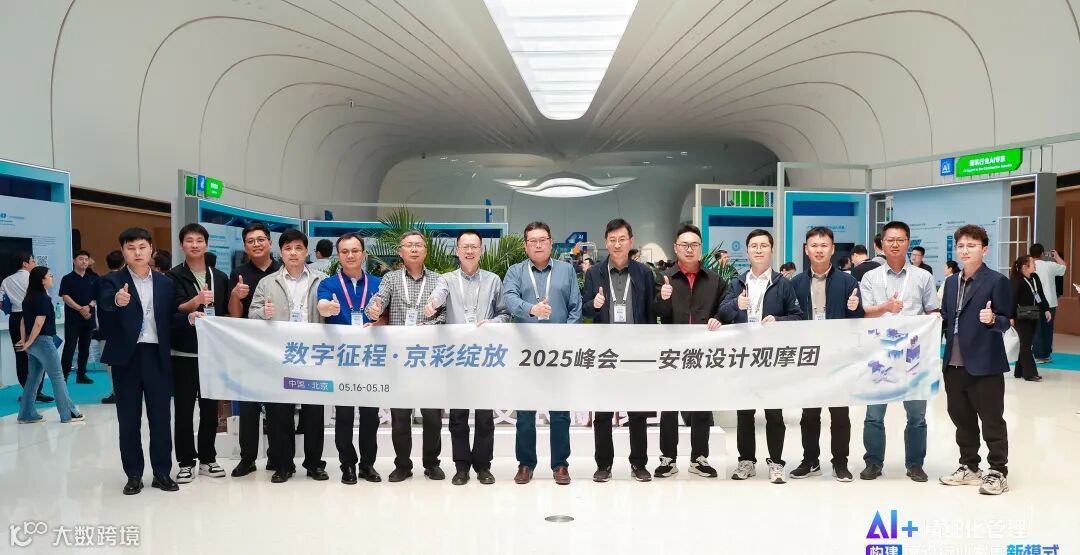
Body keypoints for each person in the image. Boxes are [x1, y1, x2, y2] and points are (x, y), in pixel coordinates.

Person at [98, 227, 201, 495]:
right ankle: (133, 475)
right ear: (123, 251)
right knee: (128, 419)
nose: (137, 252)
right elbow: (105, 308)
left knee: (160, 418)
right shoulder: (111, 281)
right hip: (127, 358)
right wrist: (117, 301)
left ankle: (162, 472)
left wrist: (188, 319)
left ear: (151, 249)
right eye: (131, 248)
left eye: (142, 247)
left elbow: (169, 319)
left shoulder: (165, 283)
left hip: (157, 356)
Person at [425, 229, 510, 486]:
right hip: (457, 357)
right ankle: (461, 466)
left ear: (481, 250)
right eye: (465, 246)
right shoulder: (447, 279)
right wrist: (432, 303)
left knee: (484, 416)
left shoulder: (493, 280)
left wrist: (493, 322)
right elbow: (438, 295)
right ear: (457, 251)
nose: (470, 251)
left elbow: (505, 313)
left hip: (485, 356)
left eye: (474, 246)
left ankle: (483, 466)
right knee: (458, 416)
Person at [501, 221, 582, 485]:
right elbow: (509, 299)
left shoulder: (566, 270)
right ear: (525, 245)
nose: (538, 245)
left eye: (543, 240)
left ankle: (560, 465)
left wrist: (565, 339)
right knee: (525, 413)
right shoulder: (515, 271)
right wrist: (531, 309)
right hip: (525, 352)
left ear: (550, 242)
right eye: (532, 241)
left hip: (558, 353)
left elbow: (575, 307)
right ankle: (525, 464)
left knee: (560, 412)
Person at [720, 229, 803, 484]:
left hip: (772, 358)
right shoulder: (737, 283)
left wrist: (778, 320)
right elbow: (721, 314)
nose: (758, 250)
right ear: (747, 251)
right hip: (744, 358)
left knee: (774, 414)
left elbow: (798, 317)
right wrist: (736, 305)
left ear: (771, 250)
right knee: (744, 413)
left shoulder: (782, 283)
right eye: (754, 246)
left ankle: (776, 463)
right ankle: (746, 461)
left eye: (763, 245)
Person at [858, 221, 938, 483]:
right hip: (879, 354)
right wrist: (886, 307)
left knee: (917, 416)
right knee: (874, 415)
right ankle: (873, 462)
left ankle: (915, 464)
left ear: (908, 243)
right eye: (890, 240)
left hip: (913, 356)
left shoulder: (923, 277)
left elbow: (931, 310)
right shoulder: (870, 277)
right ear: (881, 244)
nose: (894, 244)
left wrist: (935, 318)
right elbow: (864, 313)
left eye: (900, 240)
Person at [248, 229, 329, 484]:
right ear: (280, 252)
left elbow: (332, 314)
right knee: (278, 413)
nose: (293, 253)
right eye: (288, 248)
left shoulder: (322, 280)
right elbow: (252, 314)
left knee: (314, 413)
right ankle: (283, 465)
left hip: (313, 355)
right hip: (279, 356)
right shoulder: (267, 282)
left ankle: (314, 464)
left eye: (298, 248)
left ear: (306, 251)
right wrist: (263, 313)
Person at [366, 230, 446, 482]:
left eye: (418, 245)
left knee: (432, 417)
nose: (413, 249)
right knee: (400, 417)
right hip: (399, 359)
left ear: (426, 251)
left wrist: (429, 326)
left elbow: (444, 314)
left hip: (429, 357)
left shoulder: (439, 280)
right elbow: (379, 300)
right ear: (400, 252)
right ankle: (402, 465)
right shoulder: (390, 278)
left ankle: (432, 463)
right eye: (408, 245)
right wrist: (374, 309)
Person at [938, 225, 1012, 495]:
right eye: (961, 246)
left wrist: (993, 319)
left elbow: (1006, 321)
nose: (965, 250)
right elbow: (947, 318)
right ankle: (969, 466)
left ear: (985, 249)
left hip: (985, 363)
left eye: (972, 245)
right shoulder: (950, 283)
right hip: (953, 363)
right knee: (962, 419)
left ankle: (998, 471)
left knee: (991, 419)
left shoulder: (996, 281)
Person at [582, 218, 657, 483]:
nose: (617, 244)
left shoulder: (644, 273)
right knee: (603, 412)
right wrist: (595, 304)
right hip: (606, 350)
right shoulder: (594, 273)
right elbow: (585, 310)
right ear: (606, 242)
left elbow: (651, 311)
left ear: (631, 241)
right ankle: (603, 465)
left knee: (637, 411)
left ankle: (639, 463)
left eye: (622, 239)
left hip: (635, 350)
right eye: (612, 240)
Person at [788, 227, 864, 482]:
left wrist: (855, 308)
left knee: (840, 414)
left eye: (824, 245)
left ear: (832, 249)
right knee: (809, 414)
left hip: (838, 359)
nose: (819, 250)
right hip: (809, 358)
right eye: (814, 245)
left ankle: (840, 463)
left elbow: (857, 321)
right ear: (806, 249)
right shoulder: (796, 283)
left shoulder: (848, 282)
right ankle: (810, 461)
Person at [653, 224, 726, 479]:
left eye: (694, 244)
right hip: (672, 353)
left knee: (701, 406)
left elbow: (723, 311)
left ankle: (699, 458)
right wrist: (663, 298)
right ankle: (667, 458)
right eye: (684, 245)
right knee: (669, 407)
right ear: (675, 248)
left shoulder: (715, 281)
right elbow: (656, 313)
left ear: (701, 248)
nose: (689, 249)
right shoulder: (663, 278)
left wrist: (718, 319)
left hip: (703, 353)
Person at [166, 223, 231, 484]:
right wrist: (197, 302)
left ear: (206, 244)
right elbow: (172, 310)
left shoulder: (220, 276)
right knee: (183, 411)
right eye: (190, 241)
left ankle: (207, 459)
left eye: (199, 240)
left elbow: (225, 311)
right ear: (182, 244)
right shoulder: (172, 276)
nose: (195, 245)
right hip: (183, 352)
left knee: (210, 411)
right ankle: (185, 462)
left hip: (212, 354)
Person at [318, 232, 384, 485]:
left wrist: (380, 319)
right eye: (345, 251)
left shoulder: (379, 283)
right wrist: (328, 308)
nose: (350, 255)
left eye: (355, 250)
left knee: (370, 416)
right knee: (344, 416)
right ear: (338, 256)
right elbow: (322, 305)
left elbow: (387, 315)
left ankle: (368, 464)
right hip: (342, 359)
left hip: (371, 359)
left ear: (363, 254)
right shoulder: (329, 284)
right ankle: (347, 464)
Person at [227, 222, 282, 478]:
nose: (256, 244)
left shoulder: (283, 269)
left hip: (279, 348)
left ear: (270, 242)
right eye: (251, 241)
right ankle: (247, 458)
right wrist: (236, 296)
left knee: (277, 407)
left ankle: (277, 456)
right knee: (248, 406)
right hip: (249, 348)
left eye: (261, 239)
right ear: (245, 246)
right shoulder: (238, 273)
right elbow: (234, 315)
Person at [16, 266, 84, 424]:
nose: (52, 278)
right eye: (50, 276)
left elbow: (23, 321)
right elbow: (39, 323)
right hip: (43, 342)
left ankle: (26, 414)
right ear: (42, 280)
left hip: (33, 343)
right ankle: (68, 414)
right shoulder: (43, 299)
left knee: (33, 379)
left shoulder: (28, 298)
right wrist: (28, 342)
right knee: (57, 377)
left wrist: (25, 341)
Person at [3, 253, 51, 403]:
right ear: (25, 263)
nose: (35, 263)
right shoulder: (34, 278)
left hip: (15, 319)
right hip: (33, 317)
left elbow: (1, 302)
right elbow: (44, 296)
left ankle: (26, 390)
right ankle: (38, 391)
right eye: (32, 260)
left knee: (20, 354)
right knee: (39, 354)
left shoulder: (6, 280)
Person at [59, 250, 98, 384]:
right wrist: (80, 309)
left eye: (86, 259)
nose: (84, 262)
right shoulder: (67, 278)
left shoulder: (93, 278)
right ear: (74, 261)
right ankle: (63, 377)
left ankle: (81, 375)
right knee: (69, 347)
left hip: (88, 317)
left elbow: (96, 297)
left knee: (85, 348)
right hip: (73, 319)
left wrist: (89, 306)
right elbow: (65, 296)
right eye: (81, 259)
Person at [1009, 255, 1050, 381]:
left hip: (1033, 313)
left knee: (1026, 343)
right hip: (1020, 315)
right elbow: (1011, 299)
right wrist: (1010, 316)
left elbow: (1040, 294)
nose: (1035, 264)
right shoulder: (1016, 280)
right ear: (1025, 266)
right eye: (1032, 263)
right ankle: (1030, 373)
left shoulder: (1034, 277)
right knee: (1026, 344)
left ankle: (1019, 371)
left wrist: (1046, 308)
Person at [1029, 243, 1066, 363]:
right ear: (1042, 254)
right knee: (1047, 329)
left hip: (1033, 302)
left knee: (1035, 329)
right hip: (1049, 303)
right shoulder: (1049, 265)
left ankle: (1037, 354)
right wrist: (1056, 256)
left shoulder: (1028, 266)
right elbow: (1063, 268)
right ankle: (1045, 354)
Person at [99, 249, 125, 404]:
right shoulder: (126, 280)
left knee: (110, 363)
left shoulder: (103, 280)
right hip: (125, 326)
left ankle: (116, 391)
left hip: (107, 326)